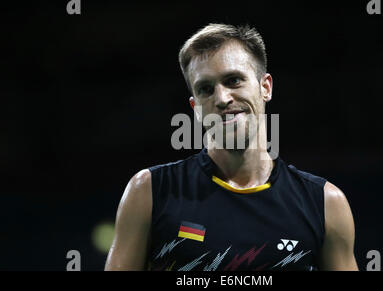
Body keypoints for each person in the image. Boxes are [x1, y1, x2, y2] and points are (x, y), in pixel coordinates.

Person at [105, 23, 358, 271]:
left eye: (233, 80)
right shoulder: (149, 192)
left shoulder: (325, 203)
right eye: (206, 89)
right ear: (195, 108)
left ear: (265, 87)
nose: (222, 99)